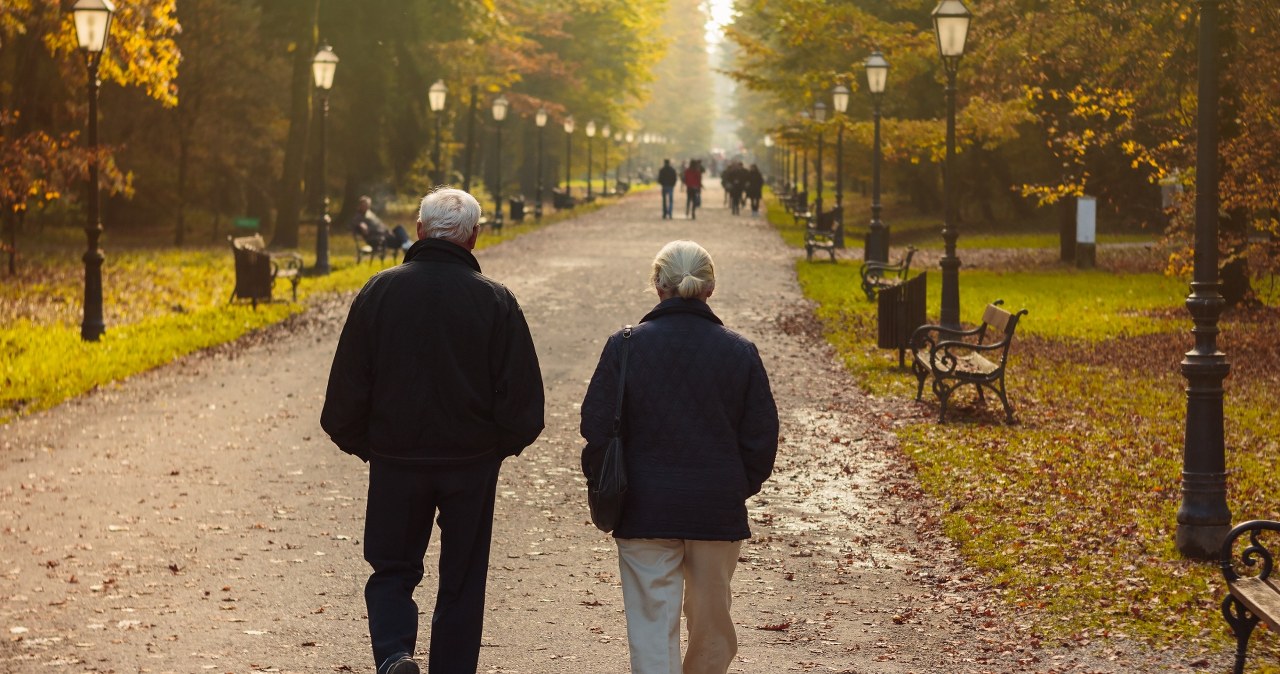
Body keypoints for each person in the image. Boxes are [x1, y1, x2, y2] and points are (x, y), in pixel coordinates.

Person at [321, 187, 545, 674]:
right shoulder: (496, 302)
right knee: (463, 579)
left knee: (391, 569)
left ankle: (395, 653)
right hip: (470, 462)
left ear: (420, 231)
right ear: (474, 237)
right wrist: (494, 448)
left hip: (397, 460)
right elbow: (525, 405)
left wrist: (373, 446)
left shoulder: (378, 293)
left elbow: (342, 399)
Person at [579, 240, 779, 674]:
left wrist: (612, 479)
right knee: (712, 627)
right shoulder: (739, 351)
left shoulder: (625, 346)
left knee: (652, 625)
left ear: (657, 285)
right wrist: (736, 484)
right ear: (710, 287)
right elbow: (761, 438)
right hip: (715, 507)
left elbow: (596, 426)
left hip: (643, 506)